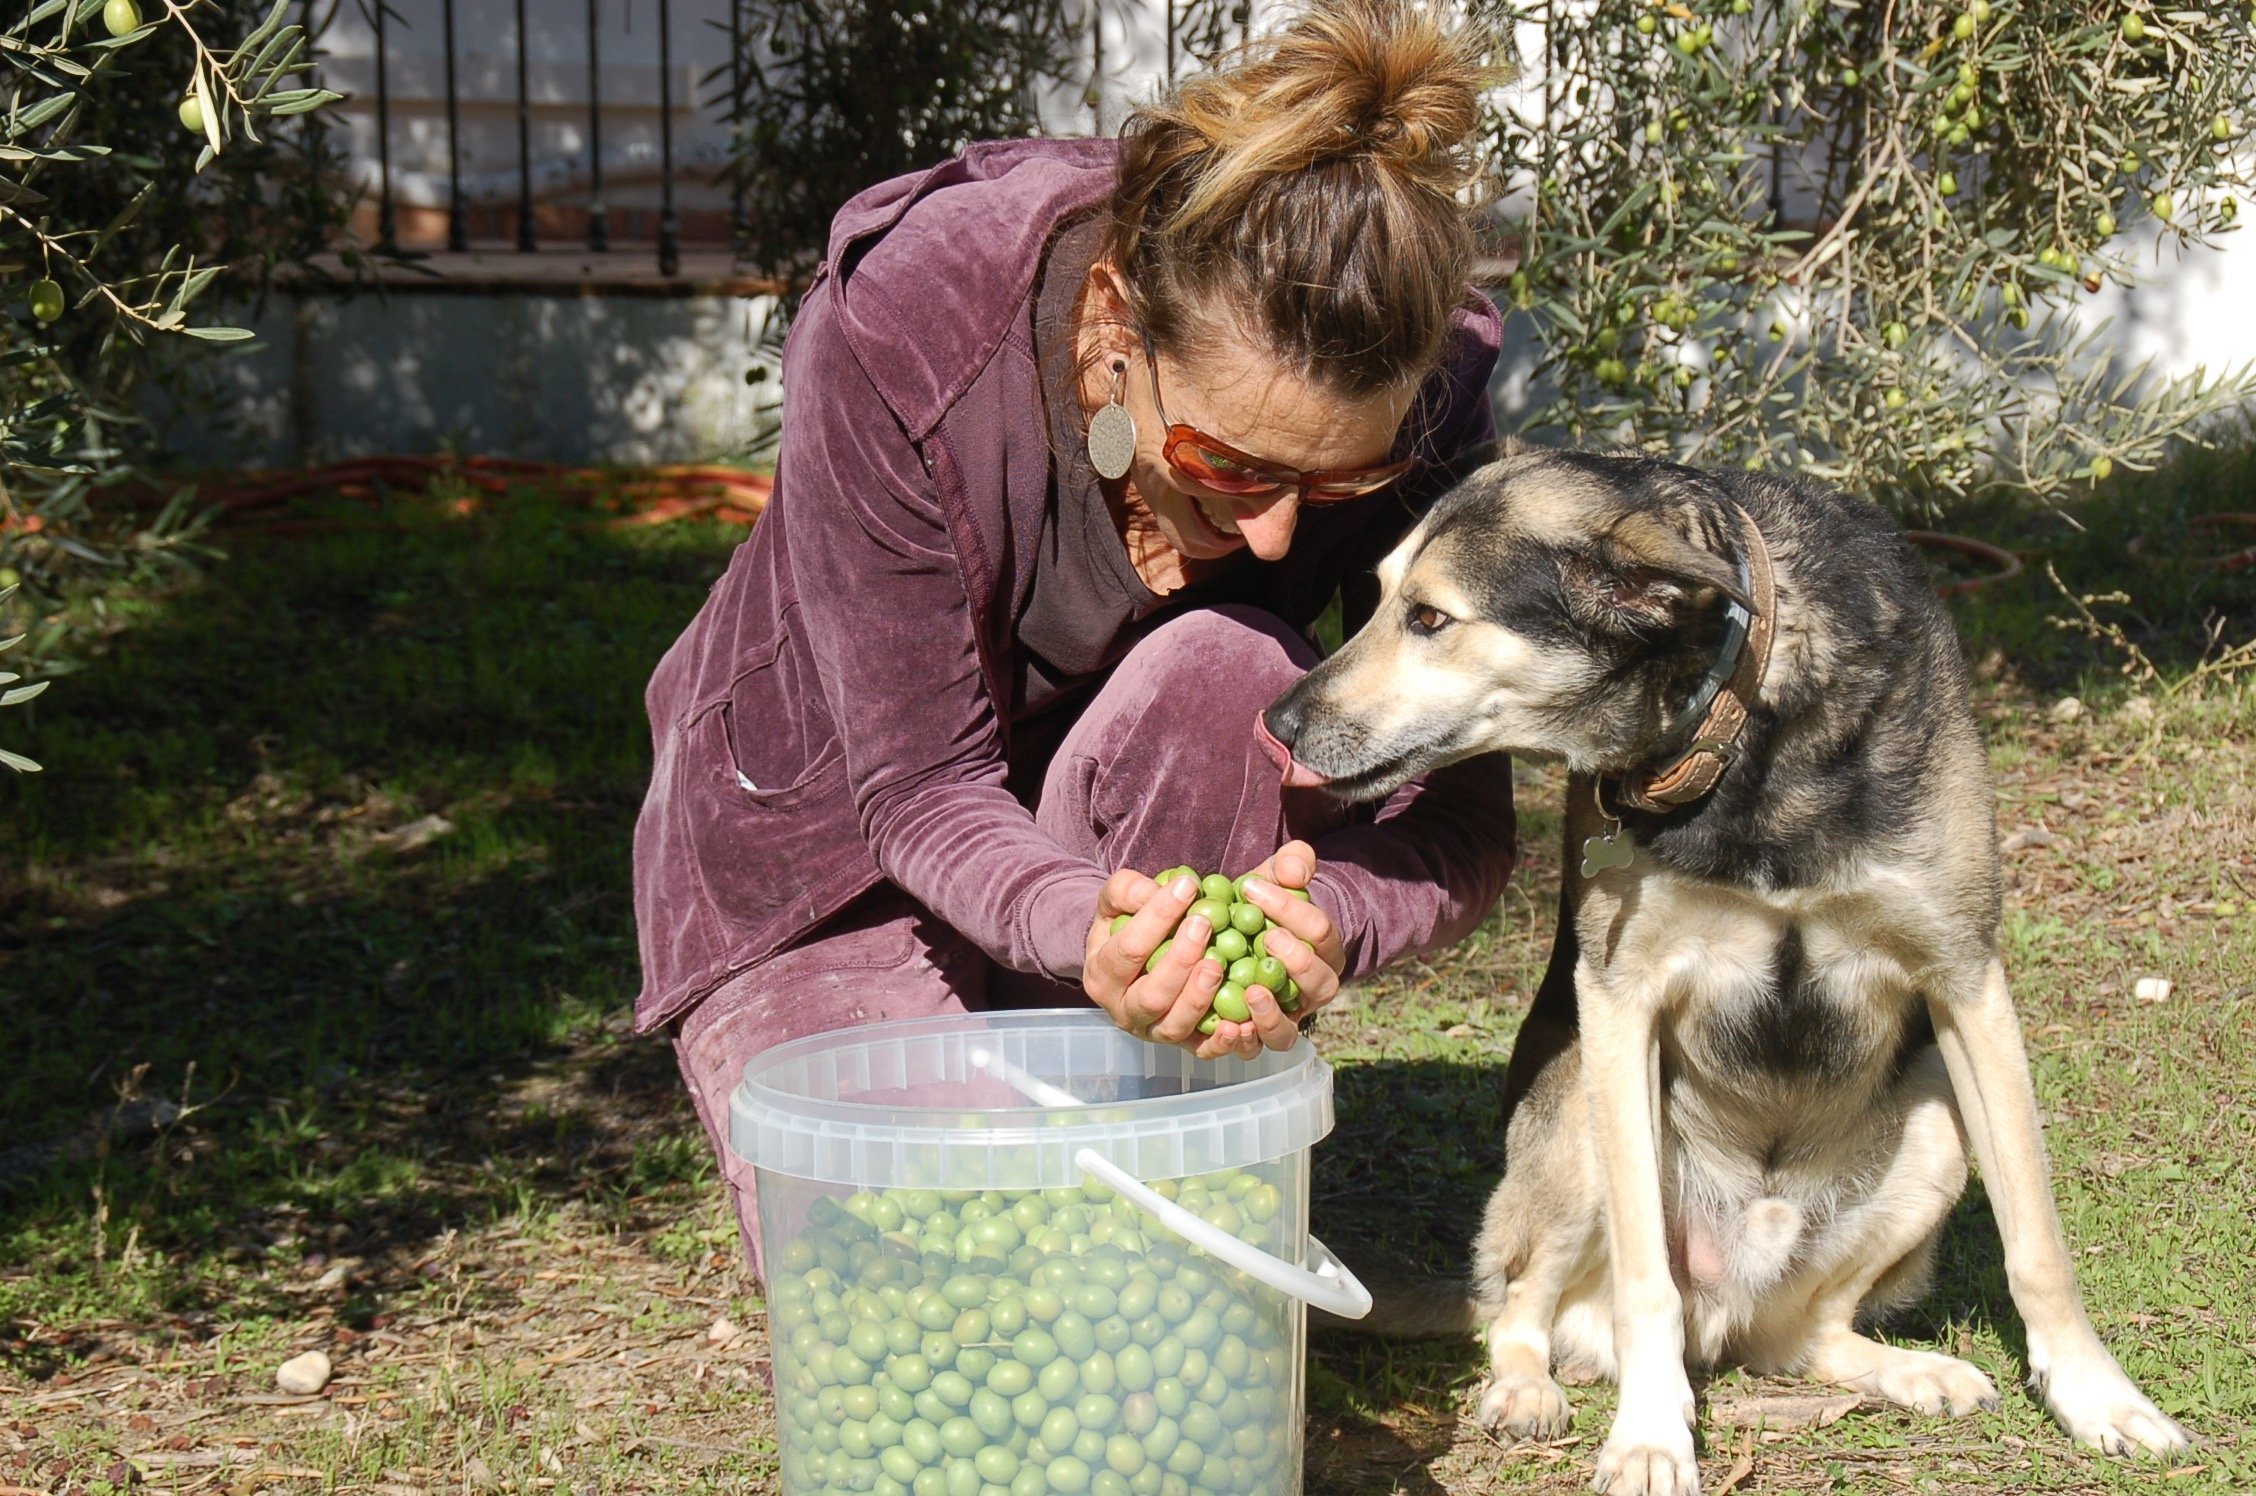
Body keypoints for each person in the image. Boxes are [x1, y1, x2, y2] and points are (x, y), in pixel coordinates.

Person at [632, 0, 1518, 1285]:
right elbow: (920, 788)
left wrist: (1326, 914)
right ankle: (1078, 1113)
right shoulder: (914, 322)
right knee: (936, 1290)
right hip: (827, 842)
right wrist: (1084, 926)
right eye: (1228, 463)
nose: (1278, 537)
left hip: (1105, 845)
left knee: (1231, 661)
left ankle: (1123, 1125)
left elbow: (1468, 821)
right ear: (1113, 330)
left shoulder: (1415, 394)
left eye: (1332, 486)